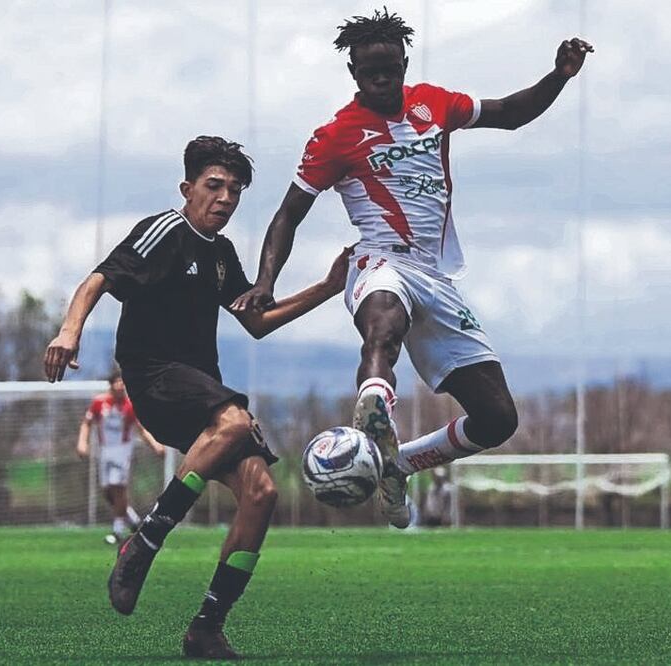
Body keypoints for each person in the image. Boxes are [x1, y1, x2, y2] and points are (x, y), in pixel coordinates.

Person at [232, 8, 593, 528]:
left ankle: (395, 464)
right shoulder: (335, 136)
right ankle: (375, 405)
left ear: (404, 63)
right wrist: (266, 283)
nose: (381, 79)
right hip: (378, 260)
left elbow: (511, 113)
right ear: (353, 73)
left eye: (389, 69)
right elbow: (288, 214)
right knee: (383, 321)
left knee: (497, 419)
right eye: (368, 72)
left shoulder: (435, 103)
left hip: (437, 277)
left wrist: (558, 75)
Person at [44, 135, 350, 659]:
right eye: (214, 186)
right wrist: (69, 331)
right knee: (233, 421)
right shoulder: (165, 230)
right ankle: (143, 542)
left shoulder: (222, 253)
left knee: (262, 494)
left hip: (200, 390)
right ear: (187, 188)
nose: (225, 198)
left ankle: (206, 627)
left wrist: (327, 286)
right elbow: (98, 279)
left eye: (234, 190)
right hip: (154, 377)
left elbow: (255, 322)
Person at [75, 368, 165, 545]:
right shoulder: (99, 403)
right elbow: (87, 423)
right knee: (108, 493)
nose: (121, 385)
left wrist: (155, 445)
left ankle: (117, 532)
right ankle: (134, 521)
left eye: (123, 382)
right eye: (117, 382)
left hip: (122, 450)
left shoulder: (129, 406)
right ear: (111, 384)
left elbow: (141, 429)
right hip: (105, 451)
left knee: (118, 488)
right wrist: (82, 443)